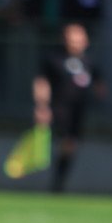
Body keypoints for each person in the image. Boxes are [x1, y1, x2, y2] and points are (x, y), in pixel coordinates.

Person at [32, 21, 103, 193]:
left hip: (79, 111)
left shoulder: (89, 62)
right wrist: (42, 106)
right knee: (65, 143)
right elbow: (42, 82)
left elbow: (99, 85)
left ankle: (59, 181)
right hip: (59, 108)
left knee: (71, 145)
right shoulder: (54, 58)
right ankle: (56, 182)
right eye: (72, 36)